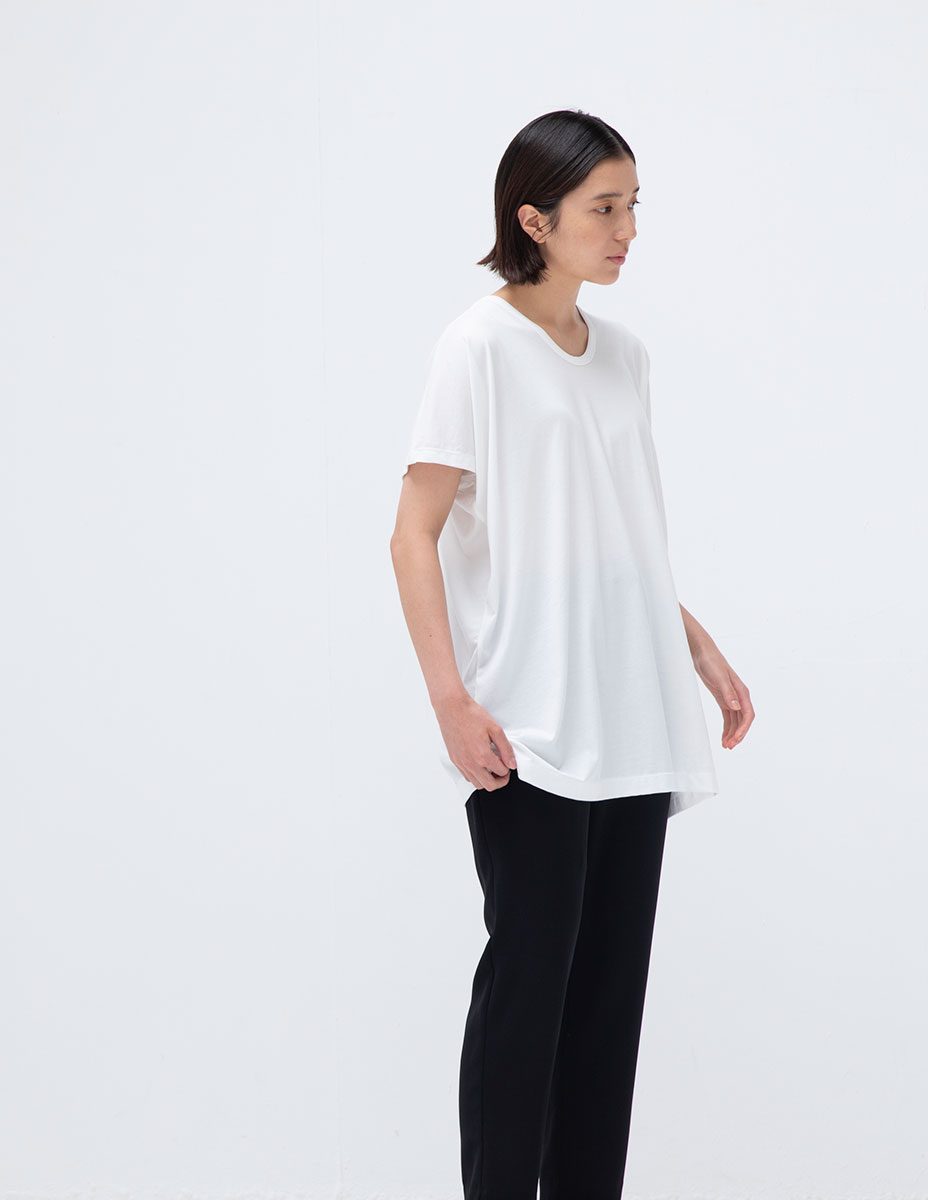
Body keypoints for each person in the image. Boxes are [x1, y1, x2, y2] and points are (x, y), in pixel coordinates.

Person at [388, 110, 754, 1200]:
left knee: (604, 1017)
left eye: (634, 205)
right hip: (531, 729)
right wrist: (450, 700)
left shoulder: (625, 357)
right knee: (526, 1003)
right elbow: (412, 532)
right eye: (605, 208)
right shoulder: (476, 347)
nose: (628, 229)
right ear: (535, 219)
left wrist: (696, 648)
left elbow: (612, 537)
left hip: (633, 721)